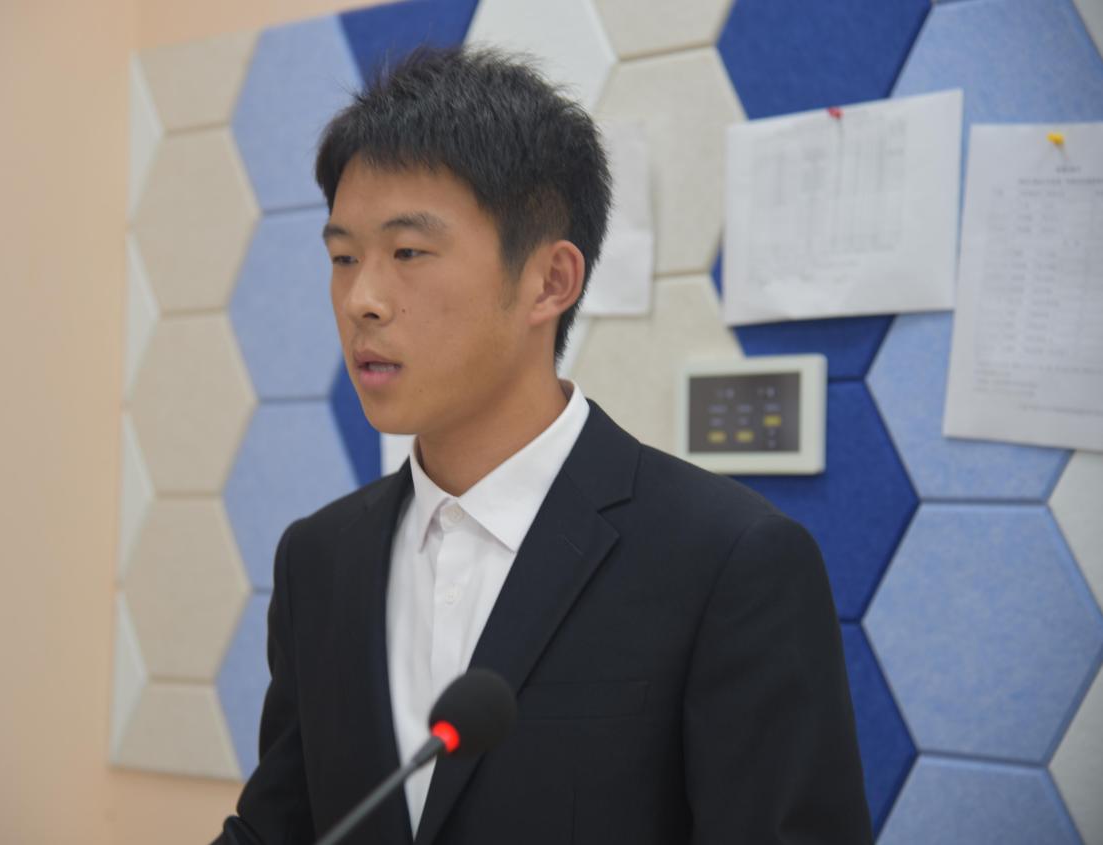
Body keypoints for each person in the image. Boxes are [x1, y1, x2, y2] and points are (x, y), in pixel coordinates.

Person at [214, 47, 871, 845]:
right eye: (343, 257)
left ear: (550, 281)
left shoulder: (729, 563)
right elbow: (279, 829)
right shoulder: (318, 560)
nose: (361, 299)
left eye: (408, 252)